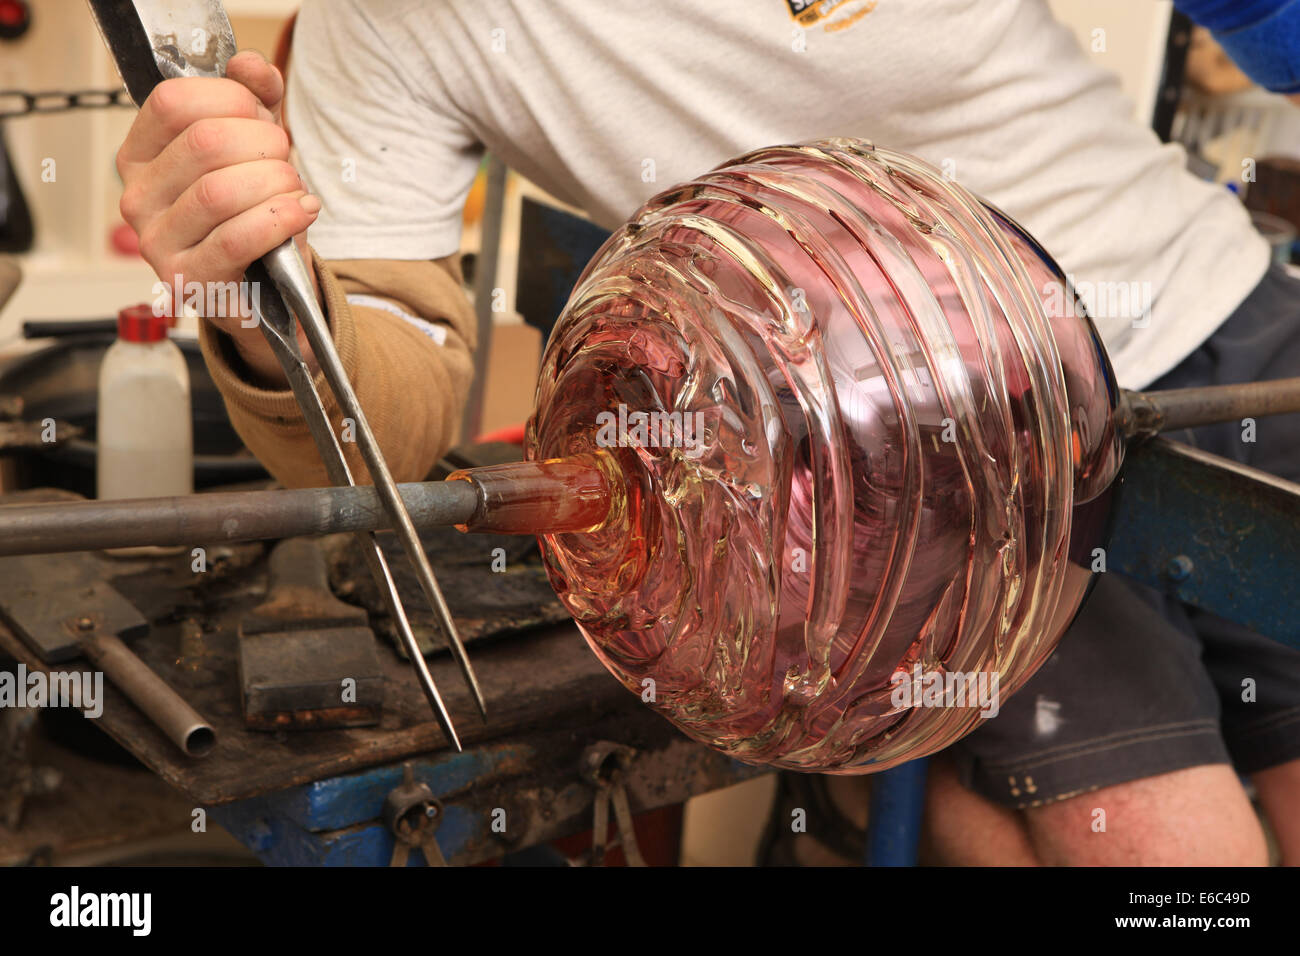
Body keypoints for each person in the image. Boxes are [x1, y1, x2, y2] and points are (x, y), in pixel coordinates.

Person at [114, 0, 1300, 865]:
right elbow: (390, 382)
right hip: (936, 477)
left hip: (1218, 310)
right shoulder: (387, 23)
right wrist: (270, 305)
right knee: (1167, 853)